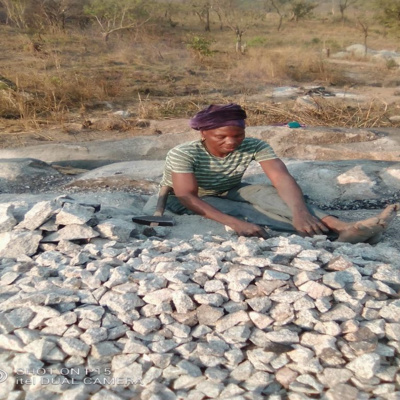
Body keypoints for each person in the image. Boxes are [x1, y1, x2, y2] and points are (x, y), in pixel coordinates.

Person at [146, 103, 398, 243]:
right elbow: (187, 196)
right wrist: (236, 224)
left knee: (269, 195)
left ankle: (341, 225)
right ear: (203, 134)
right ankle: (333, 235)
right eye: (220, 136)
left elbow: (282, 178)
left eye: (237, 135)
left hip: (231, 187)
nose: (231, 142)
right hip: (188, 198)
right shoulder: (183, 152)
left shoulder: (255, 145)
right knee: (245, 212)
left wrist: (300, 212)